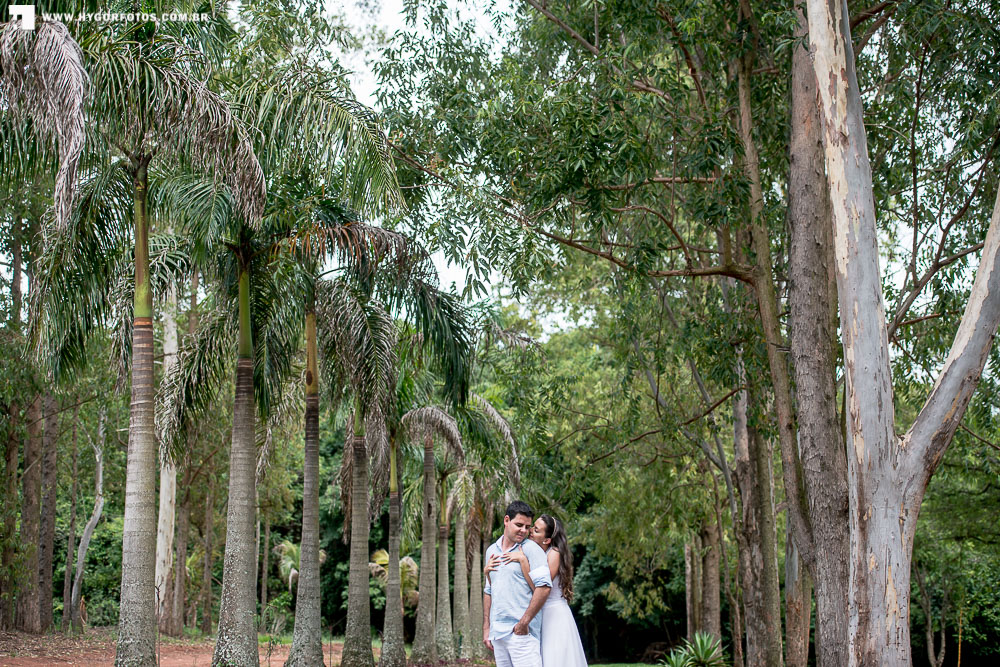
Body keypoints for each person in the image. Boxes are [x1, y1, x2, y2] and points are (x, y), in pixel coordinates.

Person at [487, 513, 588, 666]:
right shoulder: (533, 551)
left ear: (547, 540)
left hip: (553, 612)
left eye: (536, 530)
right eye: (532, 527)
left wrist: (523, 561)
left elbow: (539, 588)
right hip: (540, 612)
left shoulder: (554, 553)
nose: (530, 531)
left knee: (554, 657)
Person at [483, 500, 552, 667]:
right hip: (498, 634)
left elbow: (544, 588)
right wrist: (487, 628)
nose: (524, 531)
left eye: (527, 527)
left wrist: (523, 623)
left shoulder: (531, 549)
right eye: (519, 525)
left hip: (522, 634)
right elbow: (489, 591)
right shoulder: (491, 551)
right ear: (507, 520)